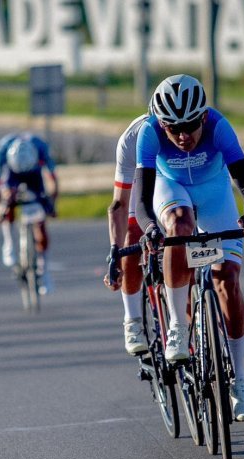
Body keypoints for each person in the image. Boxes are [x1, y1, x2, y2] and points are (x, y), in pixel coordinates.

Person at [134, 74, 244, 422]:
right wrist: (150, 229)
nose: (181, 136)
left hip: (214, 191)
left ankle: (240, 381)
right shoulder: (149, 133)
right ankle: (177, 326)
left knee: (227, 280)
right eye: (172, 128)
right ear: (161, 124)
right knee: (178, 224)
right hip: (170, 187)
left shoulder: (219, 127)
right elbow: (141, 201)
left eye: (190, 126)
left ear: (203, 118)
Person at [103, 113, 151, 355]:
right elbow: (119, 204)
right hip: (138, 185)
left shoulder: (187, 135)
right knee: (133, 240)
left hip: (173, 182)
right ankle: (132, 319)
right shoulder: (132, 139)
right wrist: (115, 253)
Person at [0, 132, 58, 286]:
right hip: (11, 174)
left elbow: (53, 180)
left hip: (34, 174)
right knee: (7, 200)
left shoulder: (41, 147)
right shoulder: (1, 152)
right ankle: (8, 243)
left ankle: (44, 270)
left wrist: (52, 204)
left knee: (41, 216)